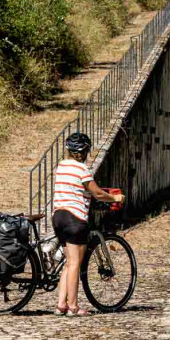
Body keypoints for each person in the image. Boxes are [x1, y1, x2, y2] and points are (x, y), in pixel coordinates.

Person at [52, 132, 125, 317]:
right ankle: (74, 307)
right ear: (84, 151)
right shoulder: (82, 170)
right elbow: (98, 193)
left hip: (58, 217)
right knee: (76, 263)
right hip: (75, 219)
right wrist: (114, 197)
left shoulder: (61, 166)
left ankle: (61, 304)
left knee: (68, 263)